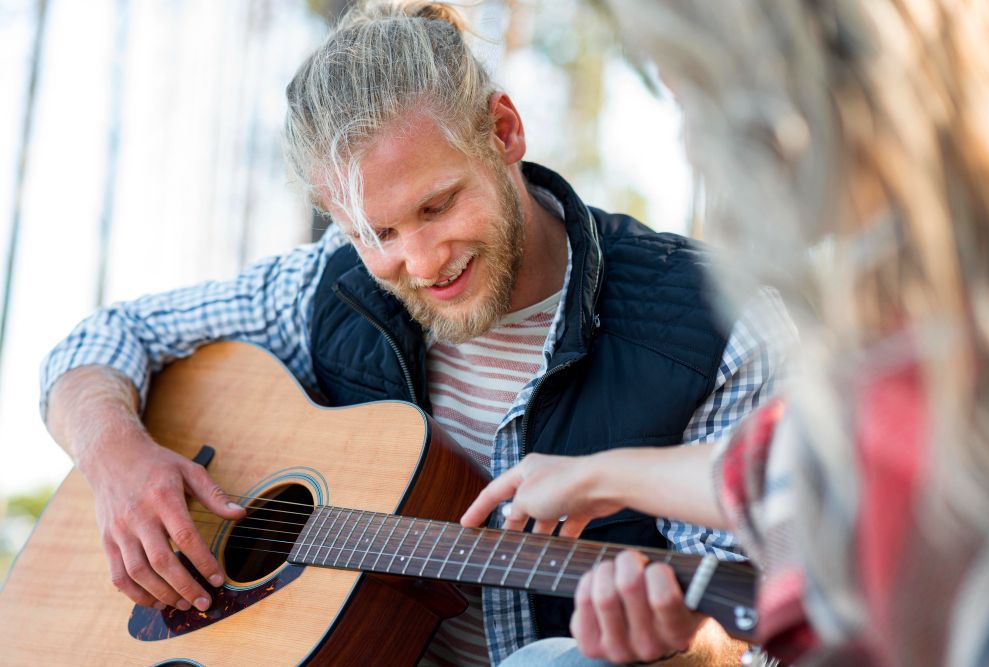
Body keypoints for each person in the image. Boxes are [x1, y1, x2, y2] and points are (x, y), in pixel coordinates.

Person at [38, 2, 793, 665]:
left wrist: (682, 640)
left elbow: (753, 631)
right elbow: (103, 339)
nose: (422, 262)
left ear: (503, 131)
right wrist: (115, 457)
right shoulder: (323, 287)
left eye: (437, 206)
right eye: (379, 232)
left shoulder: (719, 323)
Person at [462, 0, 989, 665]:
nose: (692, 145)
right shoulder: (918, 307)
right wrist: (602, 475)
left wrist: (702, 643)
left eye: (694, 99)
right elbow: (785, 464)